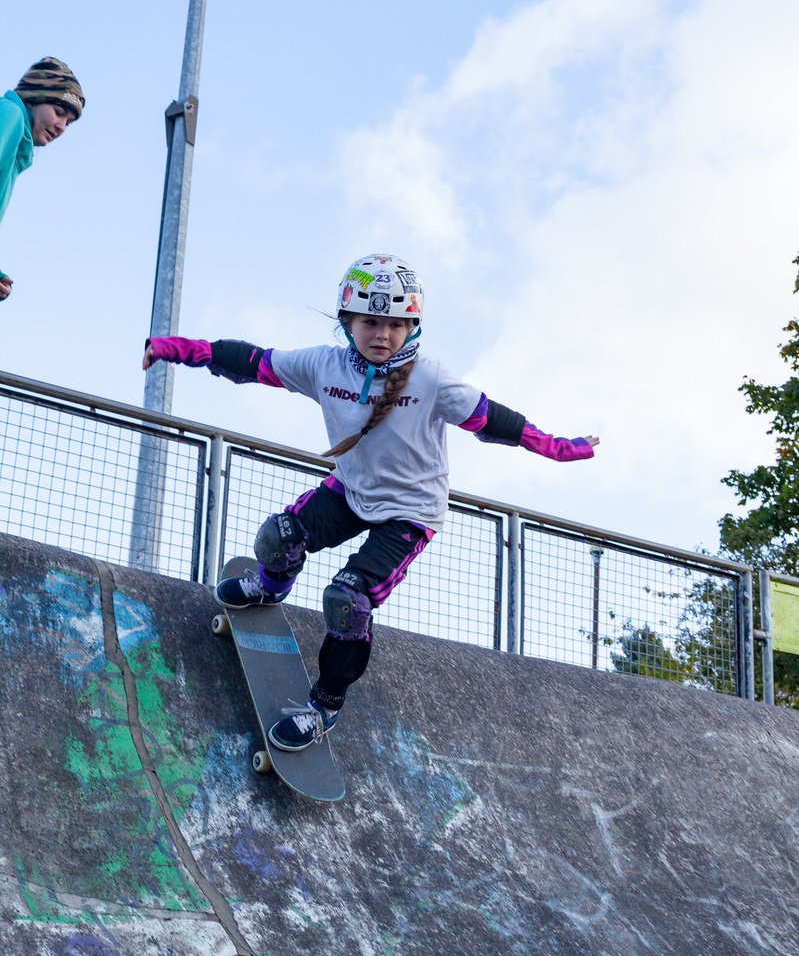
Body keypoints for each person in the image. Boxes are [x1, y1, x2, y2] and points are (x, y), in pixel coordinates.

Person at [143, 254, 599, 752]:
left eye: (395, 325)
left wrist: (560, 447)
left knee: (347, 601)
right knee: (278, 538)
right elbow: (250, 362)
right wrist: (171, 348)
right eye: (370, 323)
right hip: (351, 492)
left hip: (409, 514)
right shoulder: (324, 365)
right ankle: (270, 589)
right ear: (348, 322)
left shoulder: (432, 379)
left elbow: (496, 421)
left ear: (412, 327)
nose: (382, 334)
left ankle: (324, 707)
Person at [0, 57, 85, 300]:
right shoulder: (11, 114)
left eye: (68, 122)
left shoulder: (17, 153)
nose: (61, 127)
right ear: (33, 97)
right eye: (59, 113)